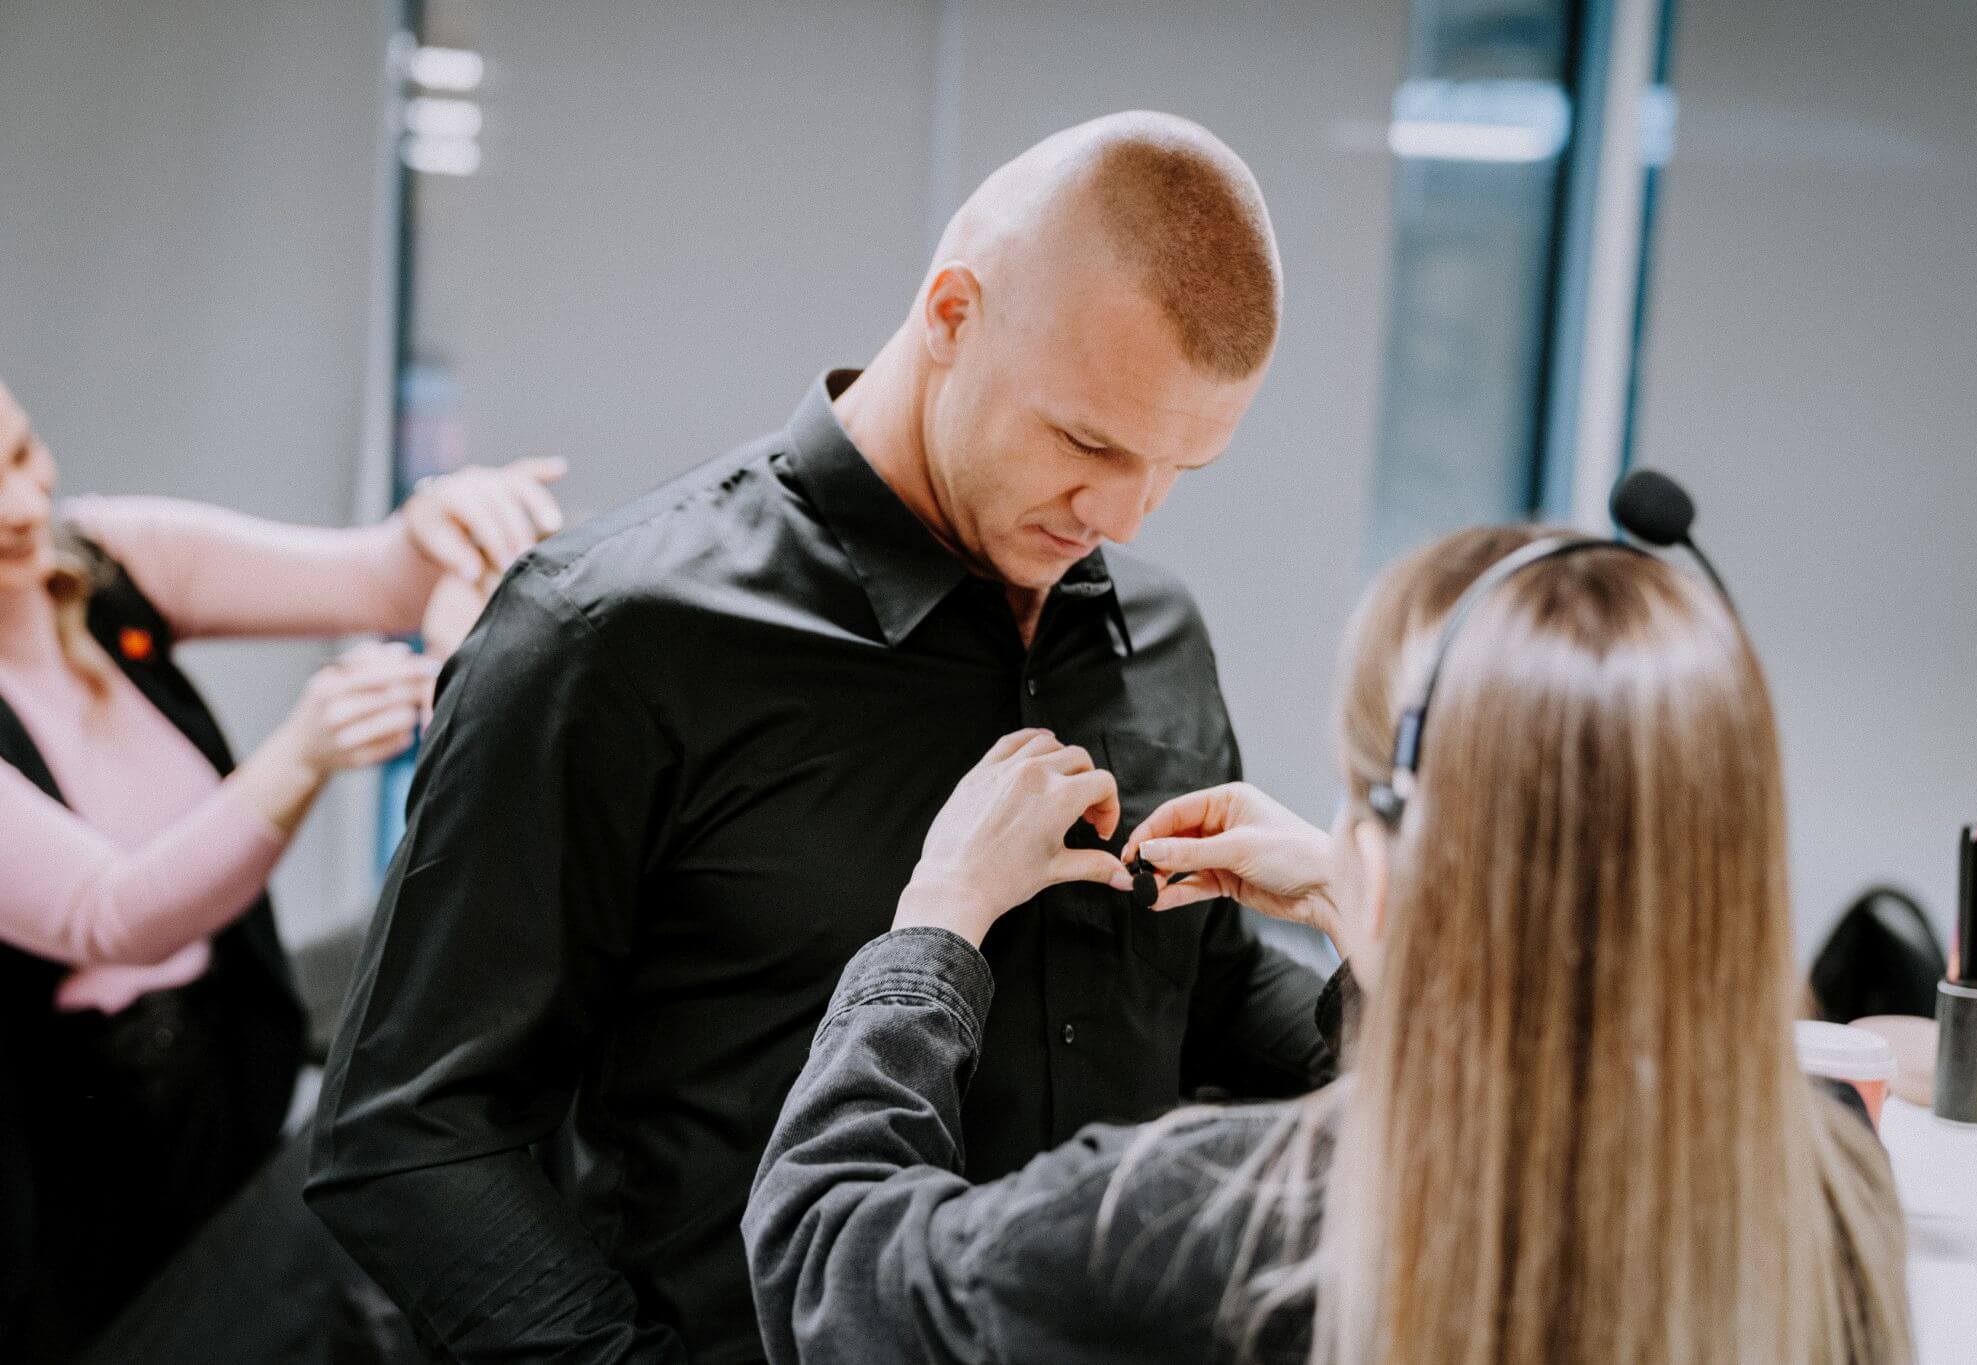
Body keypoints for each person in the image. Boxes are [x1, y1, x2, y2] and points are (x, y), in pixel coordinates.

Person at [307, 111, 1334, 1361]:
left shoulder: (1154, 630)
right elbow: (410, 1131)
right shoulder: (610, 635)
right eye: (1087, 441)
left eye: (1178, 467)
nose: (1121, 514)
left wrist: (1397, 965)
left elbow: (1203, 989)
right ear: (951, 316)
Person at [745, 525, 1913, 1364]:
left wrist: (937, 920)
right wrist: (1377, 923)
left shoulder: (1214, 1218)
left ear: (1388, 849)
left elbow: (825, 1264)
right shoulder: (1825, 1177)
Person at [0, 375, 564, 1357]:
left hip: (225, 1077)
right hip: (76, 1190)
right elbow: (109, 913)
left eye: (19, 454)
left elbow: (375, 576)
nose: (20, 504)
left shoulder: (102, 562)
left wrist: (439, 526)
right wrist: (302, 755)